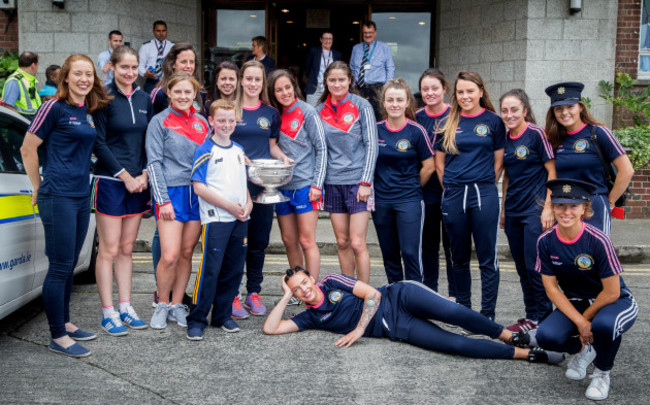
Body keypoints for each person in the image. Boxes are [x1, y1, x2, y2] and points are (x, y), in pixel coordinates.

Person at [263, 267, 563, 365]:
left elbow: (374, 295)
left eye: (304, 282)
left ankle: (509, 334)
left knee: (453, 312)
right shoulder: (309, 317)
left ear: (312, 279)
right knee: (455, 346)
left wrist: (358, 330)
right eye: (298, 291)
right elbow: (270, 329)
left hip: (400, 296)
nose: (305, 290)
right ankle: (525, 353)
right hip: (397, 327)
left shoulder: (330, 281)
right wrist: (285, 296)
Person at [20, 54, 111, 357]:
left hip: (80, 195)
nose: (84, 79)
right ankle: (57, 335)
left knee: (70, 264)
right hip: (57, 195)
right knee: (59, 267)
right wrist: (37, 186)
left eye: (89, 74)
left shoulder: (86, 109)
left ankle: (66, 322)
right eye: (78, 74)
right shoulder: (53, 107)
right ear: (66, 77)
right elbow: (27, 148)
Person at [535, 178, 638, 401]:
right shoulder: (545, 241)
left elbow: (612, 292)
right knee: (546, 337)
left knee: (603, 326)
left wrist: (586, 321)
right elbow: (552, 290)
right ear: (553, 207)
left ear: (584, 208)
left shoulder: (598, 240)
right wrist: (581, 323)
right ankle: (585, 350)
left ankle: (602, 372)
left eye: (574, 206)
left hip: (615, 301)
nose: (566, 211)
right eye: (560, 205)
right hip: (577, 301)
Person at [92, 45, 154, 336]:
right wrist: (125, 175)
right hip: (111, 182)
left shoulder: (144, 98)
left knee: (127, 249)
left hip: (138, 183)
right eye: (124, 67)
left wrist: (143, 174)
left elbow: (148, 140)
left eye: (134, 67)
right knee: (109, 249)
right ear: (112, 68)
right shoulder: (102, 98)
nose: (130, 73)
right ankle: (108, 312)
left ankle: (126, 307)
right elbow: (99, 143)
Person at [435, 71, 505, 320]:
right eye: (461, 92)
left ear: (481, 92)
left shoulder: (494, 121)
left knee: (487, 257)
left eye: (470, 91)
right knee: (459, 258)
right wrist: (452, 188)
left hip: (483, 193)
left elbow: (498, 162)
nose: (465, 96)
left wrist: (484, 183)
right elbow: (439, 163)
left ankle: (487, 315)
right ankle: (464, 312)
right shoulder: (447, 122)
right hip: (454, 195)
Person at [146, 72, 209, 329]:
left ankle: (177, 305)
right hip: (171, 194)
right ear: (168, 93)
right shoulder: (159, 122)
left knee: (186, 253)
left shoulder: (203, 122)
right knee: (170, 255)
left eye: (188, 92)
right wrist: (163, 200)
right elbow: (154, 163)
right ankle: (162, 302)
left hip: (196, 195)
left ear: (195, 94)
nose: (183, 96)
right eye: (178, 92)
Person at [186, 100, 253, 340]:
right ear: (211, 122)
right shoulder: (205, 149)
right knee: (210, 270)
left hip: (240, 218)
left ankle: (223, 315)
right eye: (221, 120)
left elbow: (242, 183)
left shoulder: (238, 150)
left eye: (231, 120)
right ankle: (197, 318)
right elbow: (199, 187)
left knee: (234, 269)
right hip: (216, 219)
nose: (226, 125)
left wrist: (248, 204)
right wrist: (229, 207)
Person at [230, 60, 286, 318]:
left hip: (263, 187)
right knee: (235, 243)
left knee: (258, 243)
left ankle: (253, 292)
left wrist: (283, 159)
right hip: (233, 186)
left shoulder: (271, 113)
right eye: (249, 79)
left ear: (263, 83)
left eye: (258, 80)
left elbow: (272, 146)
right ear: (241, 80)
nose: (253, 84)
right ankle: (232, 294)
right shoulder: (230, 109)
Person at [544, 82, 634, 236]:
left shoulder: (598, 133)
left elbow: (627, 170)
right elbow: (552, 176)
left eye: (570, 106)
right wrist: (548, 207)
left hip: (594, 205)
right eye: (559, 108)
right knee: (569, 255)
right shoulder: (555, 138)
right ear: (553, 112)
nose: (564, 112)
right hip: (565, 208)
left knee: (594, 256)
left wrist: (609, 202)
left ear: (580, 107)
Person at [499, 89, 555, 333]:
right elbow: (507, 176)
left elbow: (553, 172)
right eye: (504, 110)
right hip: (513, 211)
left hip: (535, 210)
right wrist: (503, 210)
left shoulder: (536, 134)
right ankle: (532, 316)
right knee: (521, 267)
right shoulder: (505, 138)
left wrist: (548, 209)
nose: (509, 115)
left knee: (535, 266)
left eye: (514, 110)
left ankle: (545, 319)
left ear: (524, 110)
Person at [316, 61, 377, 284]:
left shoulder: (362, 106)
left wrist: (366, 182)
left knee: (357, 242)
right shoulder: (319, 110)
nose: (337, 84)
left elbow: (372, 145)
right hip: (333, 183)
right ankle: (349, 290)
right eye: (332, 80)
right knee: (341, 241)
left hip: (358, 183)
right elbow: (318, 148)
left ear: (350, 80)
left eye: (342, 79)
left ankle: (365, 292)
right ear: (326, 81)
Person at [268, 69, 327, 285]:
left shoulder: (308, 112)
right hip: (283, 187)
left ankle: (313, 289)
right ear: (273, 93)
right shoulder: (274, 114)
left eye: (287, 87)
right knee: (289, 240)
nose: (284, 92)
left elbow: (322, 149)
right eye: (278, 89)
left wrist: (317, 184)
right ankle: (298, 287)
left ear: (294, 87)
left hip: (305, 186)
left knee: (306, 240)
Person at [373, 78, 434, 284]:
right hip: (381, 201)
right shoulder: (375, 130)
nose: (395, 104)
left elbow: (430, 165)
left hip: (409, 200)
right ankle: (396, 300)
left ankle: (416, 300)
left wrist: (414, 185)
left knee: (410, 253)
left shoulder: (417, 131)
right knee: (390, 256)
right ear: (384, 103)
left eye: (399, 100)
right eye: (390, 100)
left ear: (407, 102)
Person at [415, 68, 454, 296]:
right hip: (426, 192)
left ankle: (455, 294)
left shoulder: (455, 115)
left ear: (444, 89)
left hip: (451, 190)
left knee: (452, 247)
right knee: (428, 246)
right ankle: (430, 293)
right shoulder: (416, 117)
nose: (430, 93)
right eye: (425, 89)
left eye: (434, 88)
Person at [350, 21, 395, 120]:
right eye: (365, 32)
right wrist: (352, 88)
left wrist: (386, 88)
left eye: (370, 32)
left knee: (378, 119)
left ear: (375, 32)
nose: (367, 35)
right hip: (359, 89)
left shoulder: (384, 48)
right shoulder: (356, 48)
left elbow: (390, 68)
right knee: (358, 119)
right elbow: (352, 68)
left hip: (377, 90)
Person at [150, 43, 205, 116]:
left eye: (191, 62)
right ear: (173, 64)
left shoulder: (201, 92)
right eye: (183, 62)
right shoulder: (160, 93)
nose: (188, 66)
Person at [304, 32, 342, 106]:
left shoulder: (337, 54)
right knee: (312, 111)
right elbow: (307, 68)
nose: (328, 41)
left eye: (330, 39)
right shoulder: (313, 52)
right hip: (315, 88)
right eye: (325, 38)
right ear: (321, 39)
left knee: (330, 112)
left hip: (331, 88)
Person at [2, 51, 42, 121]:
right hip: (20, 127)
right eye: (37, 65)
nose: (37, 68)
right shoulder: (15, 81)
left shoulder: (28, 79)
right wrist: (23, 121)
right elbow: (8, 106)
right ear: (33, 65)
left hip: (29, 124)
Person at [139, 20, 174, 93]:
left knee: (168, 103)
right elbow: (139, 65)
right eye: (158, 31)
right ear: (153, 31)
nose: (161, 33)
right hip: (151, 82)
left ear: (167, 31)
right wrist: (145, 74)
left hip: (169, 81)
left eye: (163, 31)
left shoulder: (173, 46)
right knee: (151, 103)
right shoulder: (146, 46)